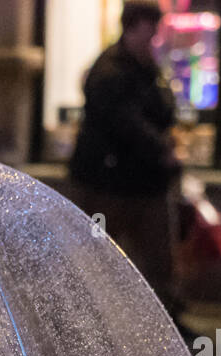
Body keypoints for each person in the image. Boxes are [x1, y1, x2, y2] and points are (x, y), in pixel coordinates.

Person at [69, 1, 182, 319]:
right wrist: (161, 148)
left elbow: (161, 110)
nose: (154, 37)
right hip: (109, 184)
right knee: (96, 259)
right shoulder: (111, 70)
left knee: (158, 260)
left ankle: (164, 319)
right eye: (150, 30)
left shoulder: (145, 66)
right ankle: (89, 321)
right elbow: (126, 123)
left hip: (143, 182)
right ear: (133, 28)